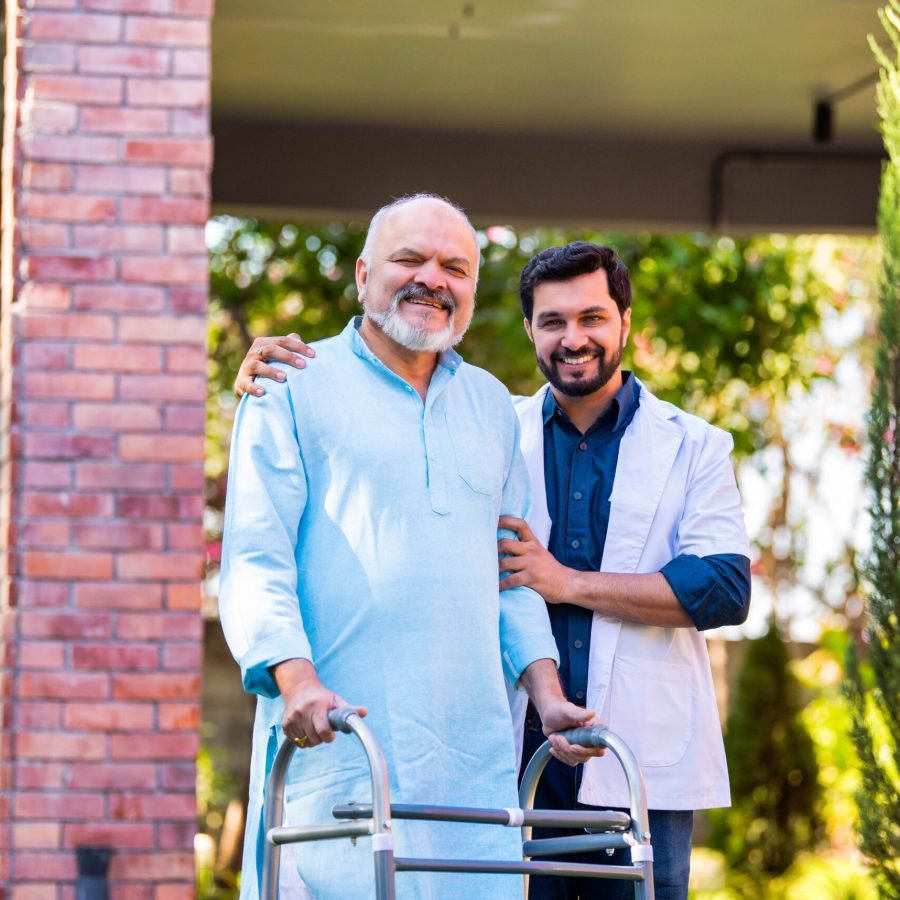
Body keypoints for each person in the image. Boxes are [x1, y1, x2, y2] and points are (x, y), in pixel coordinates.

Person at [237, 239, 752, 900]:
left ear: (625, 322)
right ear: (531, 330)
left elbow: (724, 587)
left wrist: (564, 582)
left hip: (630, 758)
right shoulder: (485, 423)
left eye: (592, 318)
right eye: (552, 322)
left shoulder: (694, 446)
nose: (573, 339)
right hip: (509, 759)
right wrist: (270, 370)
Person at [219, 195, 601, 900]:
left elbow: (510, 568)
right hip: (336, 744)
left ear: (472, 289)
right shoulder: (291, 383)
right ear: (364, 275)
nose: (433, 278)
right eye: (410, 259)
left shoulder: (492, 407)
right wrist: (294, 680)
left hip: (468, 770)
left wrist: (547, 694)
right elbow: (255, 554)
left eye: (455, 266)